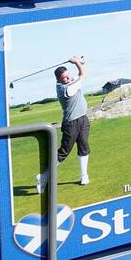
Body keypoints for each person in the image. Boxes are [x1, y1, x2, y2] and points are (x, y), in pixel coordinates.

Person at [36, 55, 92, 193]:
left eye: (68, 75)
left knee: (84, 147)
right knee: (64, 152)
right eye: (64, 78)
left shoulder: (71, 82)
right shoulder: (65, 89)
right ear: (59, 80)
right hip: (71, 124)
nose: (68, 78)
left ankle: (84, 176)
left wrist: (78, 63)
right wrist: (77, 62)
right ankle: (43, 177)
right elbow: (84, 74)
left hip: (83, 119)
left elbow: (79, 74)